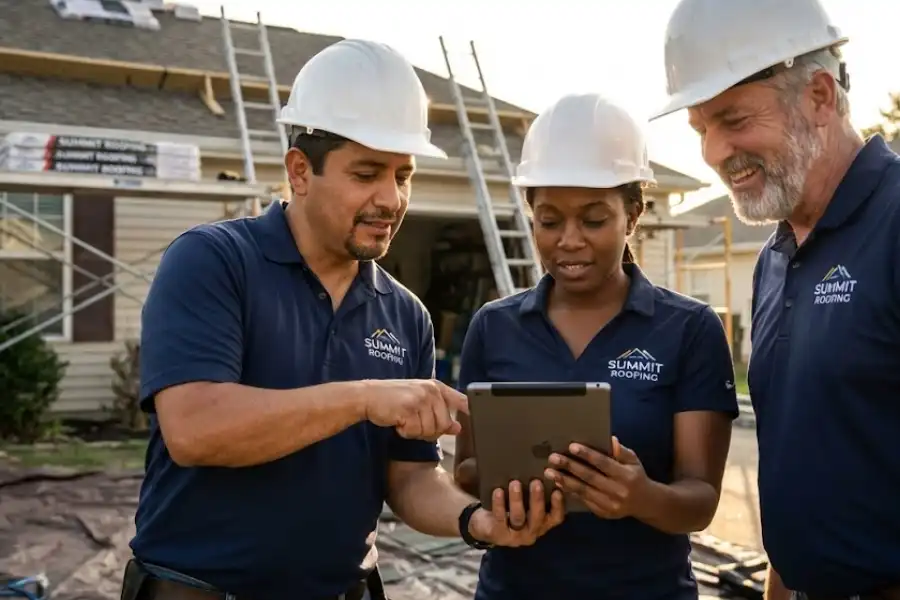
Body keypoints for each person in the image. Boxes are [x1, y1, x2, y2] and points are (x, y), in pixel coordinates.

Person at [123, 39, 564, 600]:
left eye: (402, 175)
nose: (391, 198)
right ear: (300, 171)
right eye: (366, 173)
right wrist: (363, 398)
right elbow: (194, 429)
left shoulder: (405, 315)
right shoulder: (213, 261)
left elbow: (409, 478)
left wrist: (477, 521)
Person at [651, 1, 900, 599]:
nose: (713, 152)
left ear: (818, 96)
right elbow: (802, 459)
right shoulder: (775, 258)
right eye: (700, 129)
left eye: (733, 119)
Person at [452, 92, 739, 600]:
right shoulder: (493, 328)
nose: (569, 240)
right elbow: (468, 470)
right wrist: (512, 491)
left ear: (632, 214)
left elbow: (700, 499)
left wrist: (641, 496)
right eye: (549, 220)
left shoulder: (688, 329)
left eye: (593, 219)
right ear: (531, 215)